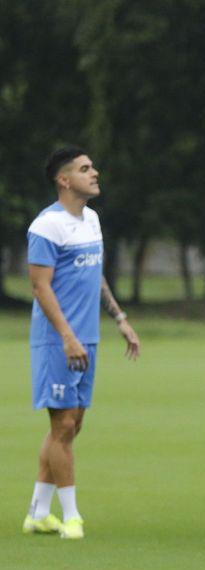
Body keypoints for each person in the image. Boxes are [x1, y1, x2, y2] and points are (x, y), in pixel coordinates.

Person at [23, 147, 141, 540]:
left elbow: (96, 277)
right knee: (63, 423)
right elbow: (40, 287)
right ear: (64, 179)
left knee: (72, 426)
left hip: (85, 339)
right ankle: (71, 516)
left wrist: (120, 319)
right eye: (85, 169)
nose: (95, 173)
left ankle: (38, 512)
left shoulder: (91, 220)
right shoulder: (47, 226)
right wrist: (67, 337)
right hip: (57, 340)